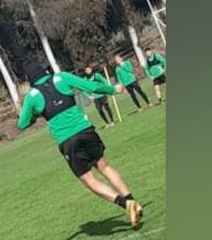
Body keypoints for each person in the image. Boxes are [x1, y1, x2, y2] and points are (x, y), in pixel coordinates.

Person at [17, 58, 143, 227]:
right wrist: (113, 89)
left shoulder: (31, 97)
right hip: (85, 129)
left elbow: (22, 124)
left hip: (67, 141)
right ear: (43, 70)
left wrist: (36, 115)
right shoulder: (61, 77)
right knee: (105, 167)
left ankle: (125, 204)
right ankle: (132, 201)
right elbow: (92, 87)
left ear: (29, 78)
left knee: (89, 180)